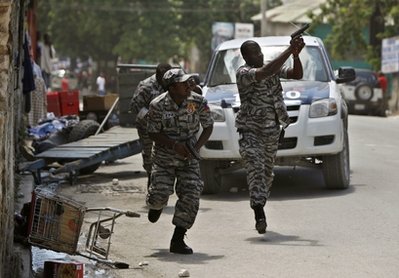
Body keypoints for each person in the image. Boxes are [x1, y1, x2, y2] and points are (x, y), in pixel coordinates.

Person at [236, 36, 305, 234]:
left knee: (266, 175)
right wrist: (288, 49)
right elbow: (265, 72)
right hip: (251, 130)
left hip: (272, 131)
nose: (260, 55)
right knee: (255, 169)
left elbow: (296, 74)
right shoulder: (244, 73)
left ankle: (260, 203)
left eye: (260, 52)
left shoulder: (271, 66)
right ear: (246, 57)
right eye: (255, 53)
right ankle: (259, 212)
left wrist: (295, 55)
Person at [146, 68, 214, 254]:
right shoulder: (157, 105)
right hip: (164, 158)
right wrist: (175, 146)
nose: (188, 85)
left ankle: (177, 239)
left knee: (192, 195)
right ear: (172, 87)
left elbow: (208, 126)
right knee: (158, 196)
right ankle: (156, 205)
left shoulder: (197, 101)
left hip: (188, 159)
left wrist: (196, 148)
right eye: (183, 83)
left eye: (188, 82)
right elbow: (152, 132)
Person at [130, 63, 172, 186]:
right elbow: (135, 107)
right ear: (158, 77)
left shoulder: (172, 82)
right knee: (149, 155)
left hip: (167, 125)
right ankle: (151, 179)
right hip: (147, 126)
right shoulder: (146, 86)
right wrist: (151, 116)